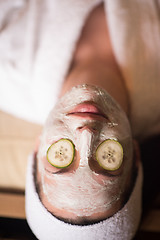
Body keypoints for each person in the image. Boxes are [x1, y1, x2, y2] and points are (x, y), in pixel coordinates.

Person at [0, 0, 160, 239]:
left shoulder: (7, 76)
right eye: (108, 161)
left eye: (61, 157)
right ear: (135, 157)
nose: (86, 133)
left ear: (38, 148)